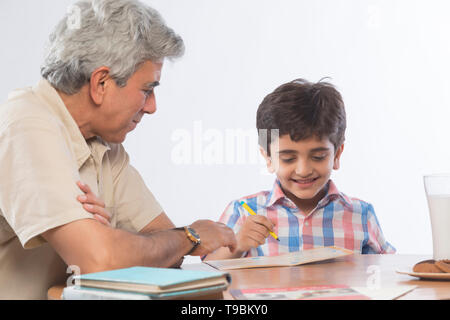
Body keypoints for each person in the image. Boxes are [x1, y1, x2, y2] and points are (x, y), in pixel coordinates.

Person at [0, 0, 236, 299]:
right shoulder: (26, 123)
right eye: (147, 89)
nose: (152, 107)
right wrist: (189, 235)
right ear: (101, 83)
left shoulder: (104, 146)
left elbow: (170, 256)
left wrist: (110, 237)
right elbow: (102, 260)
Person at [204, 78, 395, 261]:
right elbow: (206, 273)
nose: (303, 170)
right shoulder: (244, 212)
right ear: (268, 158)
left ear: (337, 155)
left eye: (318, 157)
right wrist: (237, 245)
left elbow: (387, 271)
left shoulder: (360, 214)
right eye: (288, 158)